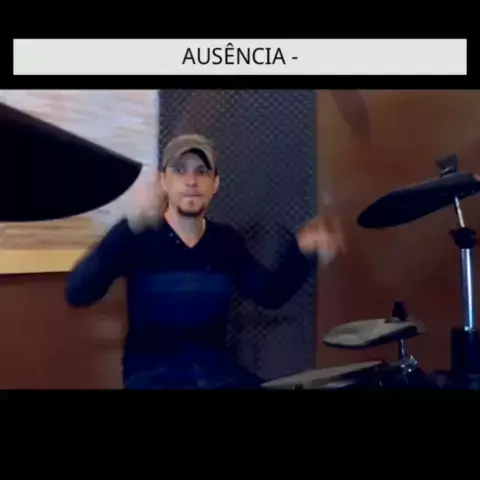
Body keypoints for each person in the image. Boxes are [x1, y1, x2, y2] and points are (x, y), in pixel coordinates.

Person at [65, 134, 345, 389]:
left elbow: (269, 294)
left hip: (219, 376)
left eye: (202, 171)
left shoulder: (225, 240)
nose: (191, 181)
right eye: (180, 170)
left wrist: (302, 250)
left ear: (215, 184)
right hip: (153, 378)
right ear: (164, 182)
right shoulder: (139, 237)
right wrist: (129, 225)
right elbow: (77, 293)